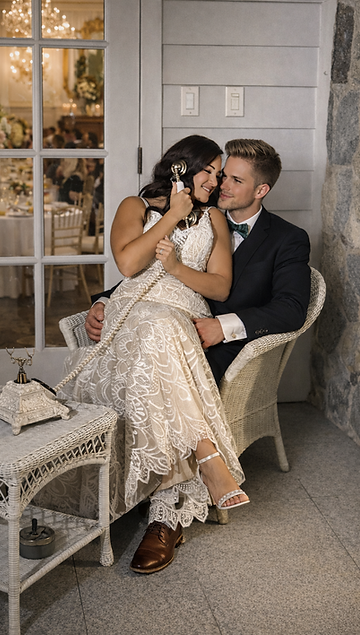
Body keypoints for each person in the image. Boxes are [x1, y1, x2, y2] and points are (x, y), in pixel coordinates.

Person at [59, 135, 249, 574]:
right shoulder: (134, 206)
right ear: (181, 168)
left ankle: (165, 510)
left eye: (220, 174)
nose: (216, 181)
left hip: (181, 311)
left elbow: (220, 286)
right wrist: (172, 216)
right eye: (209, 171)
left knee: (162, 327)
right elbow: (127, 266)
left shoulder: (216, 218)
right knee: (153, 330)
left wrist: (180, 269)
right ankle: (200, 462)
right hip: (132, 311)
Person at [87, 138, 311, 383]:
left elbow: (292, 309)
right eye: (223, 175)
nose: (221, 185)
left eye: (236, 181)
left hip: (226, 348)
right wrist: (105, 300)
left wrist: (223, 327)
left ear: (261, 191)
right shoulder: (201, 218)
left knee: (154, 367)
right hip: (163, 325)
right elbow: (154, 273)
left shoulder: (287, 238)